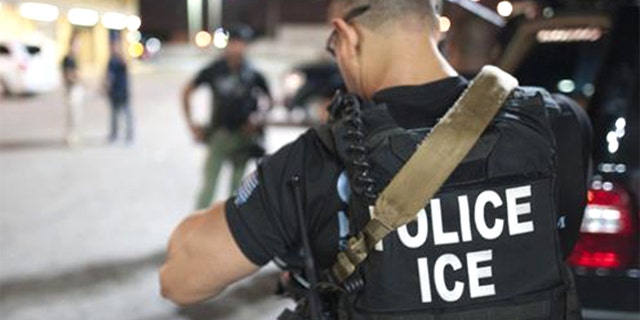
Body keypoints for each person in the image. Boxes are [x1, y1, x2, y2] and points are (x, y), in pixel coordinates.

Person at [160, 1, 591, 319]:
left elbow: (180, 279)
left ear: (347, 38)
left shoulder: (316, 160)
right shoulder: (559, 123)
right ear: (433, 25)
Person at [182, 25, 271, 210]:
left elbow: (268, 100)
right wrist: (192, 124)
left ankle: (229, 233)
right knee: (208, 187)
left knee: (237, 192)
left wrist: (258, 118)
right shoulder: (215, 69)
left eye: (241, 43)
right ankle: (197, 230)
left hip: (244, 138)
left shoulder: (252, 73)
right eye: (234, 43)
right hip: (219, 136)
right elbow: (186, 91)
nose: (237, 47)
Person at [106, 40, 134, 144]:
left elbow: (127, 65)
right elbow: (109, 76)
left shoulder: (121, 60)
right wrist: (106, 87)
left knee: (127, 114)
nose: (113, 48)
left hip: (123, 92)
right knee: (114, 115)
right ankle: (114, 134)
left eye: (115, 46)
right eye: (111, 46)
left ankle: (130, 135)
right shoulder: (110, 61)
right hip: (114, 92)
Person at [61, 35, 83, 147]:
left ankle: (73, 136)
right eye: (77, 44)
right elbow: (68, 75)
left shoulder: (74, 58)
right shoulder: (68, 58)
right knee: (73, 115)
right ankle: (71, 137)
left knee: (76, 115)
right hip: (71, 90)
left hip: (75, 89)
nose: (79, 46)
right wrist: (76, 77)